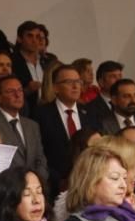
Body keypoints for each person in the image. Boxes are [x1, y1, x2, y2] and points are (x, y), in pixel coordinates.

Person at [37, 64, 93, 194]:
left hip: (89, 183)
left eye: (78, 82)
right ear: (56, 88)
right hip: (56, 186)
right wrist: (60, 181)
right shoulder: (41, 115)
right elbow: (40, 153)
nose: (75, 86)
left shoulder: (90, 113)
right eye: (69, 82)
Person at [0, 75, 50, 181]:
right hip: (6, 189)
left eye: (20, 90)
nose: (17, 95)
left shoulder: (32, 125)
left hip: (33, 187)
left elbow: (40, 159)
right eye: (10, 91)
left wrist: (36, 181)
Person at [84, 61, 125, 125]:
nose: (119, 80)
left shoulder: (128, 103)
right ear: (101, 82)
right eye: (113, 76)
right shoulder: (91, 109)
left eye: (120, 76)